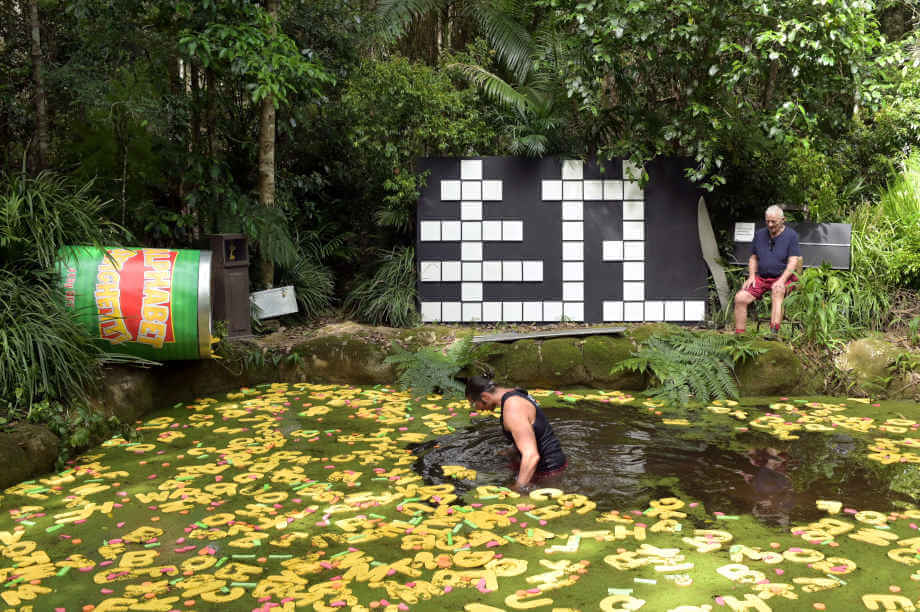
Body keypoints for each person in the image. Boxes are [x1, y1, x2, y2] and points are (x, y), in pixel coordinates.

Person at [465, 376, 566, 492]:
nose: (477, 409)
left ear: (485, 397)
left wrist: (518, 487)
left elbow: (531, 456)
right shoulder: (515, 393)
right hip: (551, 460)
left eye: (473, 403)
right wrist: (511, 451)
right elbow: (534, 431)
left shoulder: (513, 408)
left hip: (548, 471)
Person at [733, 205, 801, 338]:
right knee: (740, 297)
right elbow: (753, 258)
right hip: (762, 278)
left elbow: (793, 260)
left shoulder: (791, 235)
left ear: (782, 220)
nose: (770, 224)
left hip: (784, 278)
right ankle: (739, 337)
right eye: (767, 221)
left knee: (777, 290)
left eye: (773, 221)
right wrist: (752, 276)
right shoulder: (759, 234)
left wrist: (781, 280)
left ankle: (773, 335)